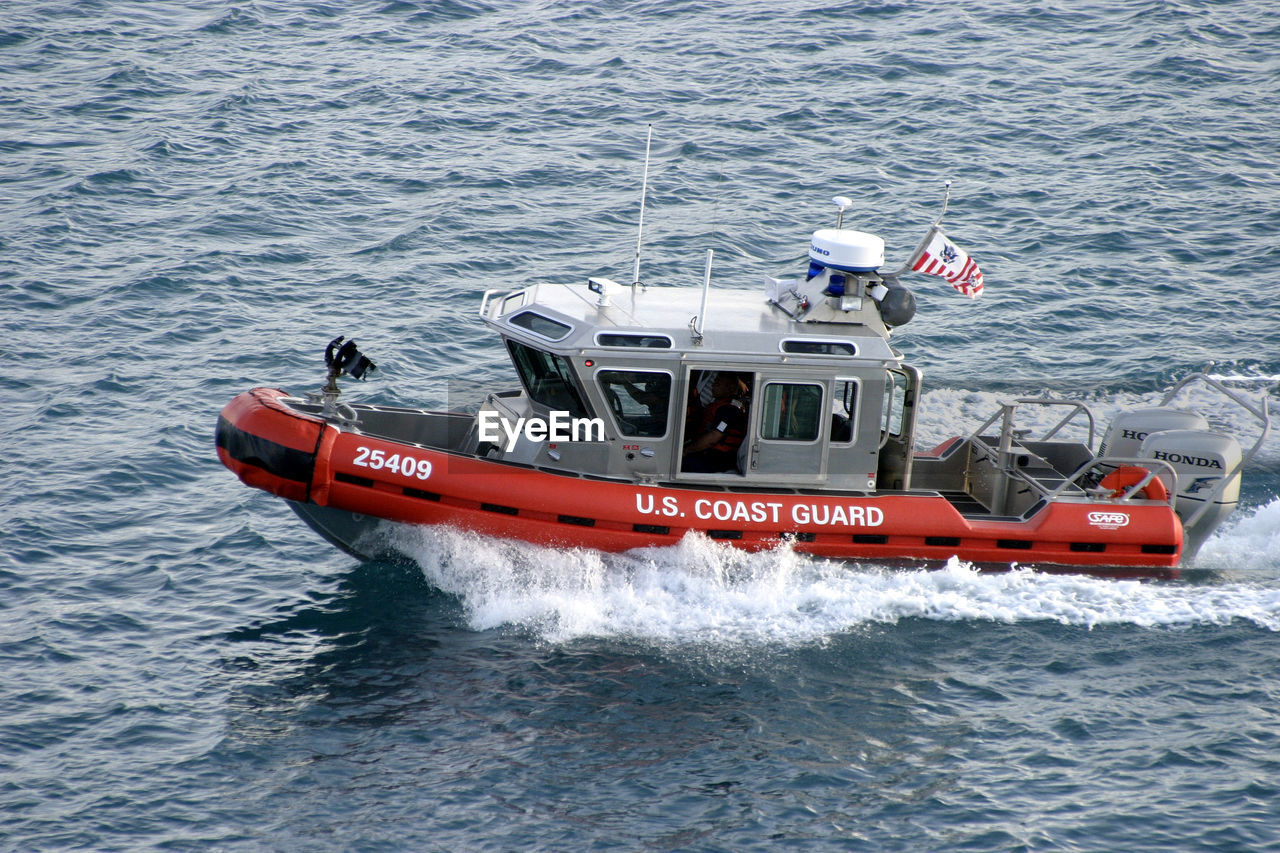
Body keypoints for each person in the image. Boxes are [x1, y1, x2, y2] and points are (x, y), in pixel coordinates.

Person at [682, 372, 750, 473]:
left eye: (717, 384)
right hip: (709, 455)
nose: (713, 385)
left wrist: (687, 450)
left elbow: (715, 436)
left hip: (719, 459)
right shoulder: (715, 406)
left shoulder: (730, 409)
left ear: (730, 388)